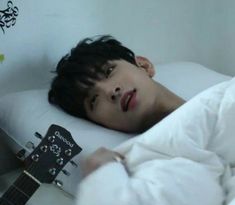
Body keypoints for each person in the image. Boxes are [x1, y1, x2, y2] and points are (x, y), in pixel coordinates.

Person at [48, 35, 185, 176]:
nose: (110, 91)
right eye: (94, 100)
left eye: (109, 71)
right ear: (101, 124)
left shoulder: (208, 104)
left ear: (144, 66)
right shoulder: (149, 170)